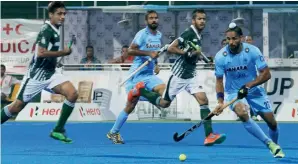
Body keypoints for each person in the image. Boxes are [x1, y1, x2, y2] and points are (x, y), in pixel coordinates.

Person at [124, 9, 227, 146]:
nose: (202, 21)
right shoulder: (189, 33)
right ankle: (140, 91)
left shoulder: (198, 35)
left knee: (203, 100)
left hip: (191, 75)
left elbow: (194, 53)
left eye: (204, 19)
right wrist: (186, 53)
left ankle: (209, 136)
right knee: (164, 104)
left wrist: (205, 58)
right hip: (179, 76)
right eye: (199, 19)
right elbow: (171, 48)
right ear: (193, 21)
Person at [1, 1, 78, 144]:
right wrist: (64, 52)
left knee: (72, 93)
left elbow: (48, 54)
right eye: (59, 14)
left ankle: (58, 129)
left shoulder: (56, 29)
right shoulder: (46, 30)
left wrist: (57, 59)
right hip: (36, 75)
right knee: (16, 107)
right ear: (51, 15)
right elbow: (41, 53)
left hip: (51, 73)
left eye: (64, 14)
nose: (62, 17)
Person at [213, 23, 285, 158]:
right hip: (234, 92)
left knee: (272, 123)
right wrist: (220, 101)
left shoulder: (253, 51)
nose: (231, 42)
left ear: (241, 38)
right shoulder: (220, 57)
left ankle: (275, 146)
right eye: (228, 39)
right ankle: (269, 143)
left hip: (254, 89)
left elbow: (266, 74)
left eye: (234, 38)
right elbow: (219, 81)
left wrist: (249, 85)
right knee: (242, 112)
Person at [106, 10, 166, 144]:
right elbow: (131, 51)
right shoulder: (142, 34)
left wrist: (156, 64)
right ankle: (113, 132)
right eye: (151, 18)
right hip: (137, 75)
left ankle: (140, 93)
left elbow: (154, 53)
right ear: (146, 21)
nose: (154, 20)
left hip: (149, 75)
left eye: (156, 18)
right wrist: (149, 53)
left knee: (163, 90)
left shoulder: (159, 35)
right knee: (130, 106)